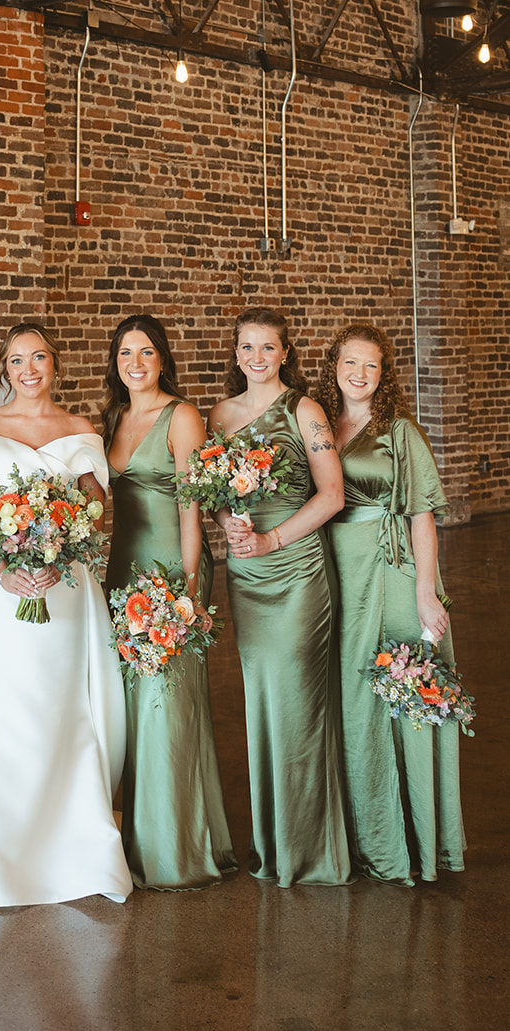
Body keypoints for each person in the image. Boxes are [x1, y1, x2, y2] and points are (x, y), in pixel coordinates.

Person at [0, 321, 131, 907]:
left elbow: (98, 508)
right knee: (3, 702)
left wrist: (66, 545)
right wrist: (3, 566)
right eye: (17, 360)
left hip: (64, 585)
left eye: (39, 357)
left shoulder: (79, 429)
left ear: (54, 364)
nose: (29, 369)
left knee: (60, 703)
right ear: (4, 370)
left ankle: (72, 841)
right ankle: (0, 846)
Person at [314, 322, 464, 883]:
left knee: (401, 689)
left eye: (370, 366)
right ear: (334, 367)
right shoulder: (321, 427)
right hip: (338, 571)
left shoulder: (399, 430)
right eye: (349, 363)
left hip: (395, 569)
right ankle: (362, 835)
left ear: (384, 375)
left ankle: (415, 841)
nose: (358, 374)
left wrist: (427, 591)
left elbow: (422, 513)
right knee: (353, 695)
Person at [208, 306, 351, 887]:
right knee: (262, 701)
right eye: (247, 347)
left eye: (268, 347)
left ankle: (309, 850)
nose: (257, 358)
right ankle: (271, 844)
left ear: (285, 353)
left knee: (298, 702)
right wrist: (229, 524)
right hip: (248, 573)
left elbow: (333, 494)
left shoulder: (306, 411)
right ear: (236, 353)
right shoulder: (219, 415)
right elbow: (211, 488)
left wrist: (272, 537)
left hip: (295, 570)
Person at [103, 315, 236, 889]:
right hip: (121, 571)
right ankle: (137, 843)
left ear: (162, 360)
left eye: (147, 352)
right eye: (126, 352)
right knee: (131, 712)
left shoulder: (182, 417)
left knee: (167, 708)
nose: (136, 362)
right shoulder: (114, 417)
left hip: (170, 573)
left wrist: (186, 590)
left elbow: (191, 510)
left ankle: (175, 850)